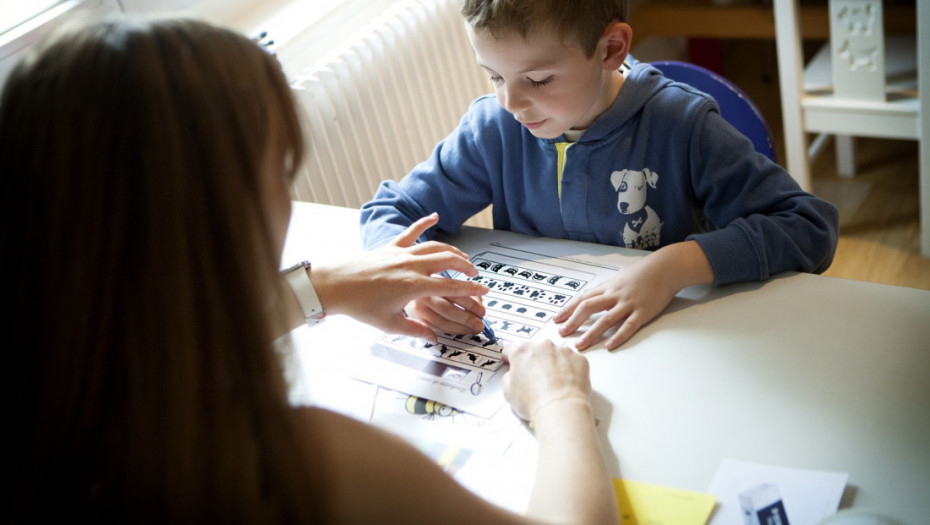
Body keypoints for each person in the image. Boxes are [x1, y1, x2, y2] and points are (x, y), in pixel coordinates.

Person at [0, 18, 618, 524]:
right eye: (280, 171)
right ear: (221, 216)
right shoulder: (293, 462)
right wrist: (561, 400)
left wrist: (318, 288)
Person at [359, 0, 840, 350]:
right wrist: (417, 280)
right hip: (551, 350)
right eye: (495, 76)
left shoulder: (682, 127)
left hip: (678, 345)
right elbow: (392, 212)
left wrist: (674, 267)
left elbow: (809, 226)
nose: (511, 102)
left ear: (611, 47)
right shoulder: (494, 128)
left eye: (539, 79)